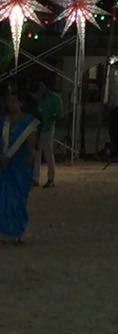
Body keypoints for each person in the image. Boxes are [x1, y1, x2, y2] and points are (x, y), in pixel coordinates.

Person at [0, 91, 39, 243]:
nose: (11, 104)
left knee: (17, 200)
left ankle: (16, 233)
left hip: (19, 167)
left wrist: (28, 170)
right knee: (3, 198)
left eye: (14, 101)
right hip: (3, 166)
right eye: (9, 101)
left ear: (21, 103)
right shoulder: (3, 121)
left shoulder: (29, 122)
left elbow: (31, 148)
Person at [32, 80, 63, 188]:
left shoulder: (55, 98)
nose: (41, 88)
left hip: (47, 128)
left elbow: (59, 115)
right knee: (36, 154)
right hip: (36, 128)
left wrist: (50, 116)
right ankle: (35, 178)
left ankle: (51, 178)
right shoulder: (37, 98)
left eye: (42, 86)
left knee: (48, 154)